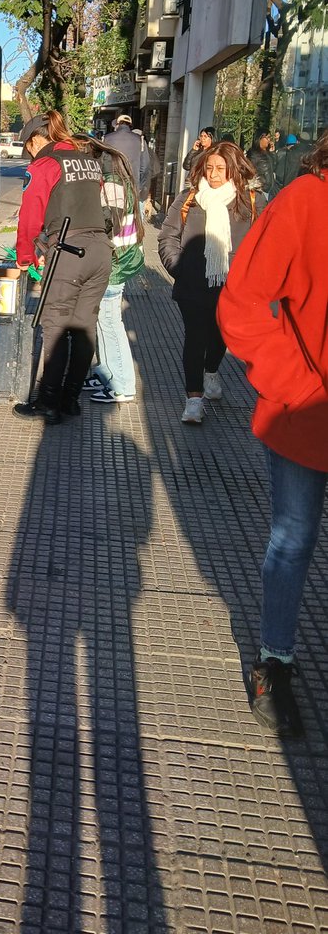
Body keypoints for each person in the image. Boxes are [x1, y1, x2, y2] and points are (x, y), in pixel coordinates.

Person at [218, 130, 328, 737]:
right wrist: (297, 385)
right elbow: (240, 306)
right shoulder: (306, 201)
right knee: (293, 539)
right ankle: (274, 661)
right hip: (306, 412)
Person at [13, 111, 112, 425]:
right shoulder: (89, 162)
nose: (29, 152)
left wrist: (25, 257)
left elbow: (30, 218)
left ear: (36, 140)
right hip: (100, 251)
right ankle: (70, 400)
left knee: (55, 326)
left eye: (27, 146)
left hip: (69, 251)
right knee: (83, 327)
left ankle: (48, 402)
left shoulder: (44, 165)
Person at [158, 142, 263, 424]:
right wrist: (178, 267)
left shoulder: (251, 200)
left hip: (232, 286)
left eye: (220, 168)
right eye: (209, 168)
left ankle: (211, 370)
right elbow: (167, 236)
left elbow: (266, 245)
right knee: (195, 337)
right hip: (192, 284)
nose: (214, 174)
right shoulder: (189, 198)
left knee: (220, 336)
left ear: (234, 169)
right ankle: (193, 399)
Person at [87, 142, 146, 404]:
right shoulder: (115, 178)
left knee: (110, 323)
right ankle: (108, 373)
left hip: (115, 263)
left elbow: (107, 220)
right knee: (104, 321)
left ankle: (122, 385)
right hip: (117, 260)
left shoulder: (111, 183)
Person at [103, 114, 152, 205]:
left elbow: (102, 161)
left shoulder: (106, 139)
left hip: (111, 182)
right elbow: (145, 167)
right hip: (132, 184)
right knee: (129, 214)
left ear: (117, 125)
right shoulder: (140, 140)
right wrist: (139, 186)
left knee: (111, 214)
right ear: (130, 126)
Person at [248, 131, 276, 198]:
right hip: (260, 190)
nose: (269, 140)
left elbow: (274, 166)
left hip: (269, 189)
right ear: (260, 139)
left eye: (269, 138)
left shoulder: (267, 152)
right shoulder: (254, 154)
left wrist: (272, 153)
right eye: (267, 138)